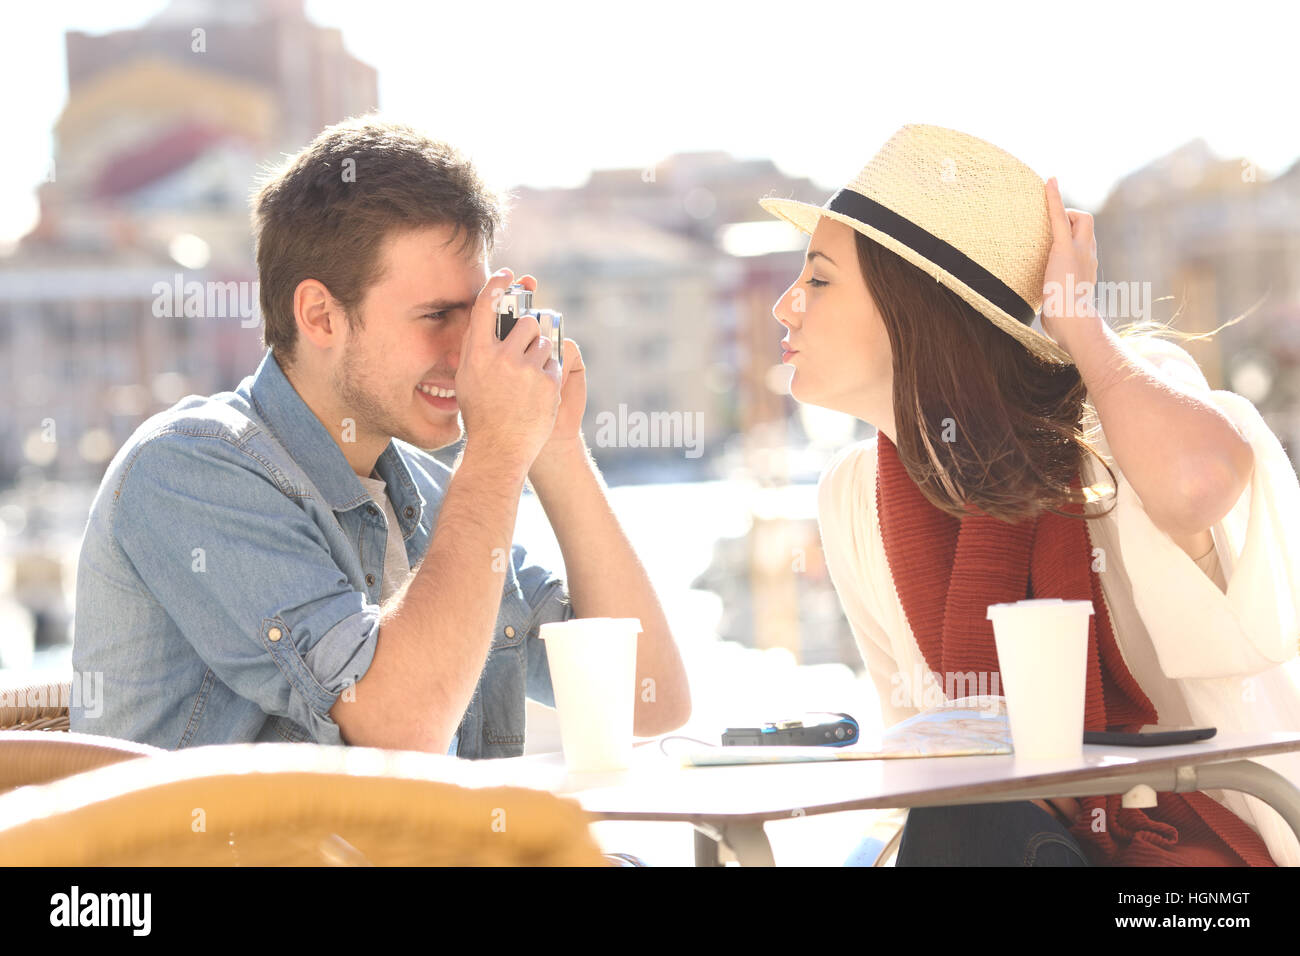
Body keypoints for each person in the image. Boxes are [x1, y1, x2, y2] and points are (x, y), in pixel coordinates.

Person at [760, 124, 1300, 866]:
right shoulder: (854, 497)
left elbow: (1197, 483)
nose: (786, 305)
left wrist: (1078, 325)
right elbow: (925, 756)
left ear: (916, 305)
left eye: (818, 278)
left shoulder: (1115, 421)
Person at [70, 115, 691, 757]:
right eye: (437, 316)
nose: (469, 352)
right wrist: (500, 453)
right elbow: (399, 726)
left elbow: (650, 699)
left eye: (476, 315)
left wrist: (553, 448)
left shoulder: (437, 495)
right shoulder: (187, 469)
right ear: (320, 316)